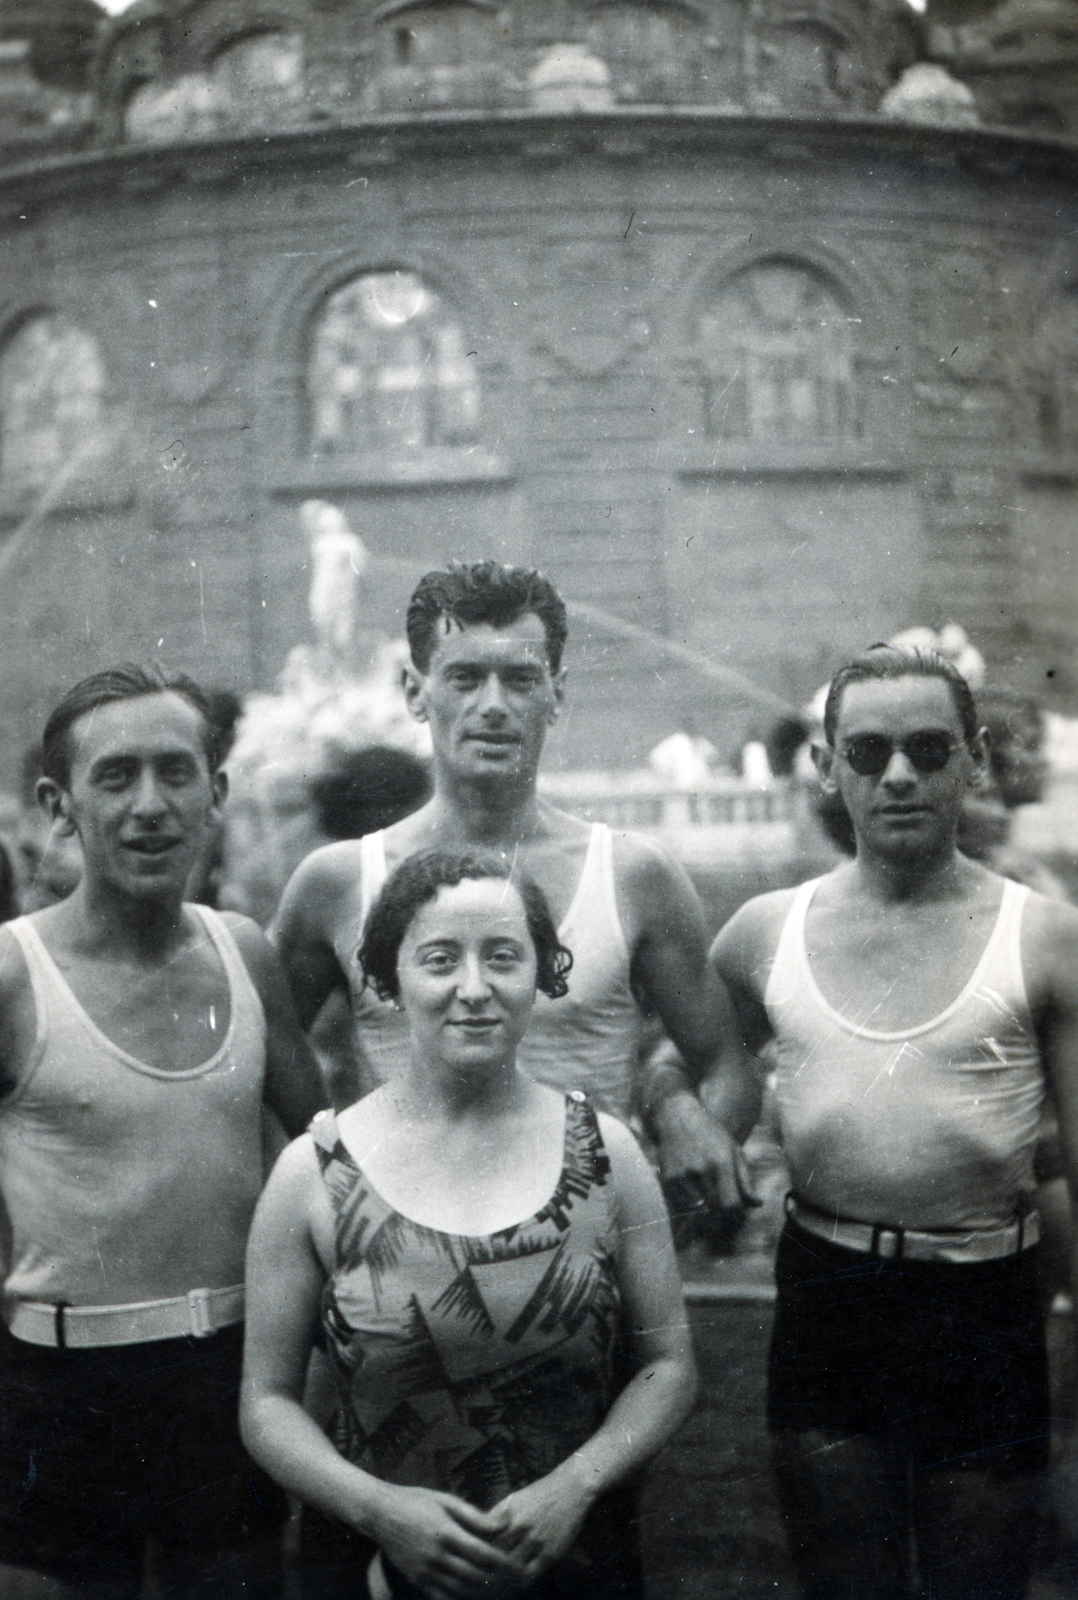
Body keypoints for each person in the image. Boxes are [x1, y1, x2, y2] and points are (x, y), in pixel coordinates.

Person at [710, 644, 1078, 1600]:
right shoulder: (763, 932)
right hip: (831, 1294)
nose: (899, 775)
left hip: (985, 1298)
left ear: (975, 762)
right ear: (828, 768)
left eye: (927, 747)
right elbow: (697, 1054)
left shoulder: (1041, 936)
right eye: (868, 753)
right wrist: (679, 1110)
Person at [242, 849, 697, 1600]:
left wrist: (574, 1487)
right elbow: (266, 1403)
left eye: (504, 957)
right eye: (441, 959)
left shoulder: (606, 1153)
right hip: (376, 1563)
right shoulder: (315, 1170)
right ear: (390, 979)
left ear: (542, 975)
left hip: (568, 1557)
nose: (475, 989)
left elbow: (670, 1365)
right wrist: (383, 1512)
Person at [274, 560, 759, 1210]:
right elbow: (262, 1069)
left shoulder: (630, 876)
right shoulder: (336, 884)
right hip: (400, 1262)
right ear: (416, 692)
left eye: (521, 679)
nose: (494, 706)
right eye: (466, 678)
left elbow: (727, 1062)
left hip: (585, 1270)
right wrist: (323, 1199)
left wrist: (678, 1182)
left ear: (556, 692)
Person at [0, 664, 325, 1599]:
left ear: (216, 793)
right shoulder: (15, 976)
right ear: (61, 806)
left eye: (176, 773)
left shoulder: (246, 952)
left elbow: (327, 1152)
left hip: (222, 1380)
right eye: (117, 777)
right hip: (51, 1390)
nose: (151, 805)